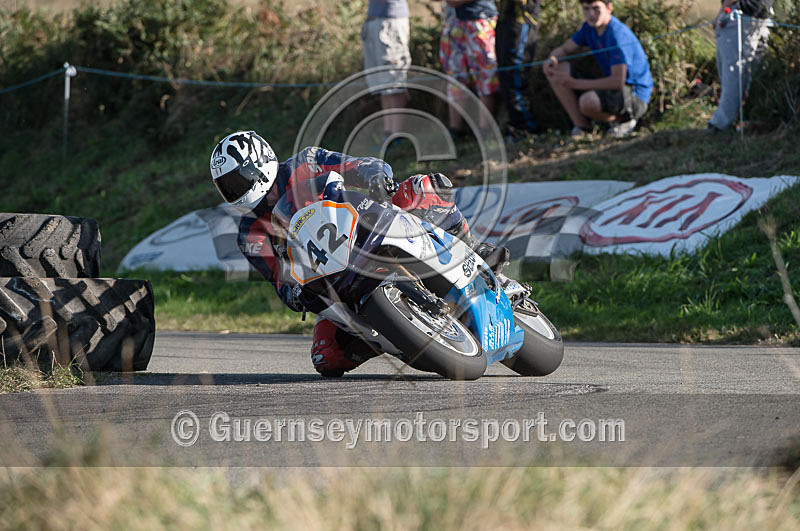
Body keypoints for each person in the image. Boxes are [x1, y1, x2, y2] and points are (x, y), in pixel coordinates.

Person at [209, 131, 509, 377]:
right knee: (326, 356)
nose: (233, 191)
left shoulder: (306, 163)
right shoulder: (249, 234)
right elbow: (278, 278)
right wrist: (293, 294)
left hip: (369, 227)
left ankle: (472, 248)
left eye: (237, 180)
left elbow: (360, 165)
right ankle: (398, 333)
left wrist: (376, 178)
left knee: (419, 189)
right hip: (336, 283)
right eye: (226, 187)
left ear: (258, 165)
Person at [543, 0, 653, 138]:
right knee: (558, 69)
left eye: (596, 9)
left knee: (587, 102)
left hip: (634, 94)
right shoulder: (589, 28)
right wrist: (552, 59)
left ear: (609, 8)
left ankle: (625, 121)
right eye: (586, 9)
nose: (591, 14)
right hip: (613, 88)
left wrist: (574, 83)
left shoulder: (617, 35)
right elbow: (564, 49)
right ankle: (583, 128)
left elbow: (617, 82)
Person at [707, 0, 772, 132]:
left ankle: (731, 122)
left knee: (745, 75)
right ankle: (721, 125)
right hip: (744, 17)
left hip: (753, 18)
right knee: (736, 75)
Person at [439, 0, 500, 133]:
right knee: (454, 77)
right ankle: (456, 130)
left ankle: (485, 131)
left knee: (486, 75)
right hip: (453, 23)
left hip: (480, 20)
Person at [362, 0, 412, 134]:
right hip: (375, 20)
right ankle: (388, 132)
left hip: (391, 22)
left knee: (394, 82)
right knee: (383, 84)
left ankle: (397, 135)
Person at [495, 0, 542, 140]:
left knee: (515, 76)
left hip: (522, 21)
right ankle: (515, 127)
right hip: (504, 21)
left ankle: (526, 128)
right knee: (504, 76)